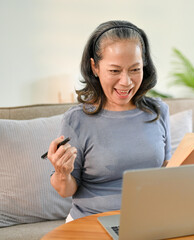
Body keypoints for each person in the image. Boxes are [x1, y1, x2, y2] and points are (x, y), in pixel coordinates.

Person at [46, 20, 171, 222]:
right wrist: (62, 173)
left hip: (146, 220)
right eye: (115, 71)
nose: (126, 81)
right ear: (95, 67)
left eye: (135, 69)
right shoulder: (77, 119)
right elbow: (65, 190)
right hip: (93, 220)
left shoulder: (158, 111)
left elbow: (166, 171)